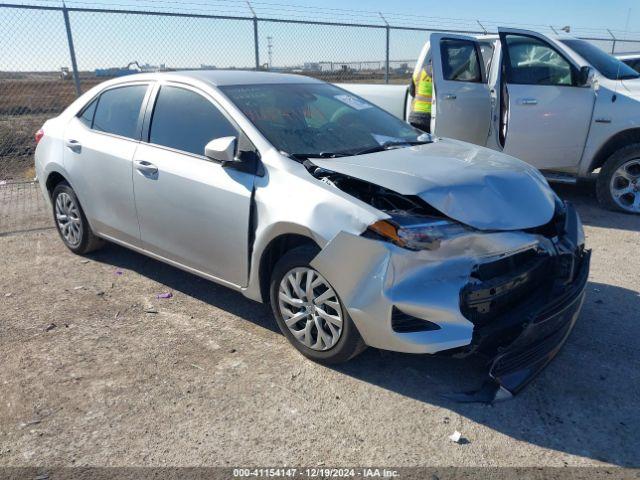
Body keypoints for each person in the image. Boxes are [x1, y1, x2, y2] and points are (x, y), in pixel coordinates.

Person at [408, 60, 433, 133]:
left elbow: (412, 92)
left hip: (415, 115)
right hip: (430, 116)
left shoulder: (419, 72)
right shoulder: (438, 74)